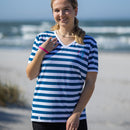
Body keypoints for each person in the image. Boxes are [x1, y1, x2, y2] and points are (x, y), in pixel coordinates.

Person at [26, 0, 98, 130]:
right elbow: (30, 75)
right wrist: (41, 52)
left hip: (73, 120)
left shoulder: (89, 43)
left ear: (75, 11)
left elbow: (90, 83)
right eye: (57, 10)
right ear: (53, 13)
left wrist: (77, 113)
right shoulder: (42, 39)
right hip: (42, 117)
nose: (61, 14)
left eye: (66, 9)